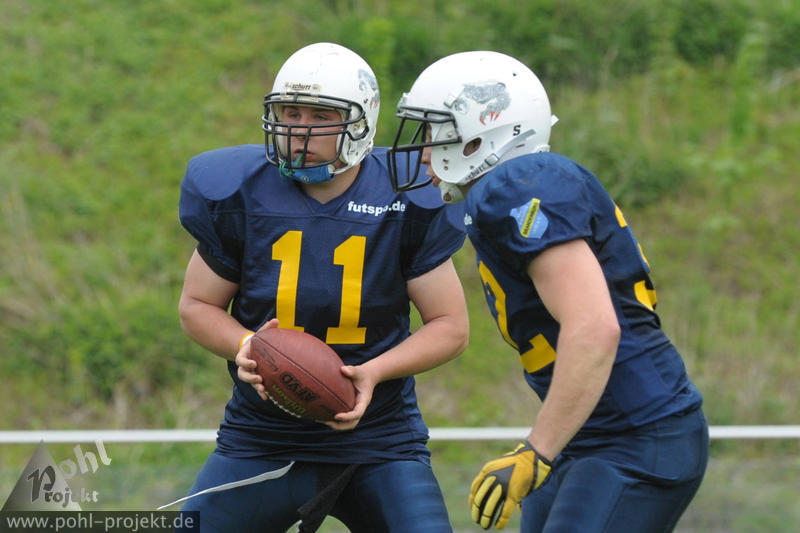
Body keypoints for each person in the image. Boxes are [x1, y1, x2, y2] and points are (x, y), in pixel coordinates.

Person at [388, 51, 709, 532]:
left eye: (437, 132)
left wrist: (537, 450)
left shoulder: (516, 186)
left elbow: (595, 327)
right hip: (593, 434)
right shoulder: (503, 191)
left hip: (636, 436)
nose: (425, 151)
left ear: (482, 134)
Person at [173, 42, 469, 532]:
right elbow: (197, 305)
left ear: (361, 123)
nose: (300, 129)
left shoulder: (407, 195)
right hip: (261, 437)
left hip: (378, 440)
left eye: (321, 115)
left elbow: (450, 326)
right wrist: (246, 346)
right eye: (290, 113)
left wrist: (372, 373)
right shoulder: (239, 191)